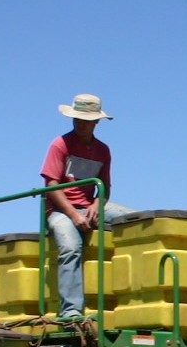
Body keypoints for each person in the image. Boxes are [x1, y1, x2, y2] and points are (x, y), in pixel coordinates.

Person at [40, 93, 133, 319]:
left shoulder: (103, 150)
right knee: (71, 246)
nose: (80, 123)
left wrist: (97, 204)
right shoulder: (60, 144)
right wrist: (73, 214)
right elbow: (51, 184)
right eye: (77, 118)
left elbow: (105, 187)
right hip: (60, 210)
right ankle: (71, 311)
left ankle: (135, 299)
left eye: (86, 119)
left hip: (89, 205)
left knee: (137, 221)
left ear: (96, 122)